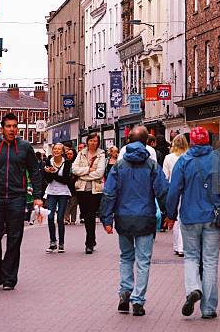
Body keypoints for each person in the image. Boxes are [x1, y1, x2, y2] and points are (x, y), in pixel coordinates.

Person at [100, 126, 168, 316]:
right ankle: (138, 301)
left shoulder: (119, 165)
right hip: (145, 217)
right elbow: (162, 191)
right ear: (147, 142)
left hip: (123, 217)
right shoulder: (152, 166)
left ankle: (125, 293)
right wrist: (168, 213)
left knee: (126, 257)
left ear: (128, 141)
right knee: (143, 261)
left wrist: (106, 218)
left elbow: (109, 193)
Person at [166, 126, 220, 319]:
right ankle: (209, 308)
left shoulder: (183, 161)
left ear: (191, 142)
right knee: (210, 261)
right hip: (211, 216)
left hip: (189, 216)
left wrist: (170, 214)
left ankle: (193, 288)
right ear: (208, 141)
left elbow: (174, 190)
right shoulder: (217, 159)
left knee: (191, 257)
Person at [0, 113, 43, 290]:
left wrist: (37, 196)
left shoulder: (24, 147)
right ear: (2, 128)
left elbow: (35, 172)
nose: (12, 129)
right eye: (9, 126)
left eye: (15, 126)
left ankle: (9, 278)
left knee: (15, 238)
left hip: (17, 197)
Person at [72, 133, 106, 254]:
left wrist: (83, 176)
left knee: (91, 215)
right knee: (86, 216)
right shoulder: (81, 153)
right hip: (81, 189)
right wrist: (87, 170)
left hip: (95, 190)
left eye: (95, 141)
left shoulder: (101, 155)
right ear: (87, 141)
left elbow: (100, 173)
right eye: (91, 140)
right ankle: (92, 239)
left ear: (98, 142)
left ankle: (89, 243)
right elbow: (74, 169)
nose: (93, 143)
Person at [162, 134, 189, 256]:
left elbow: (165, 177)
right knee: (183, 217)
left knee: (175, 217)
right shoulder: (189, 157)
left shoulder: (168, 158)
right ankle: (183, 246)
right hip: (187, 190)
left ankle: (178, 246)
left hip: (173, 190)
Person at [43, 143, 72, 253]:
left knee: (60, 218)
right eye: (55, 149)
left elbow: (65, 180)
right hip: (51, 191)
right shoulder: (48, 161)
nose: (56, 151)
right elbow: (48, 180)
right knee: (50, 217)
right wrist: (48, 173)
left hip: (63, 192)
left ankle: (61, 243)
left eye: (59, 149)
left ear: (62, 151)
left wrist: (53, 172)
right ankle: (52, 242)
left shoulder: (67, 162)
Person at [63, 146, 79, 224]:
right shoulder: (65, 163)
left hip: (75, 184)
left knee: (74, 202)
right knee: (68, 202)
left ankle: (73, 219)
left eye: (71, 154)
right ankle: (66, 217)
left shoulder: (77, 163)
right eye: (68, 154)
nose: (69, 155)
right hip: (67, 184)